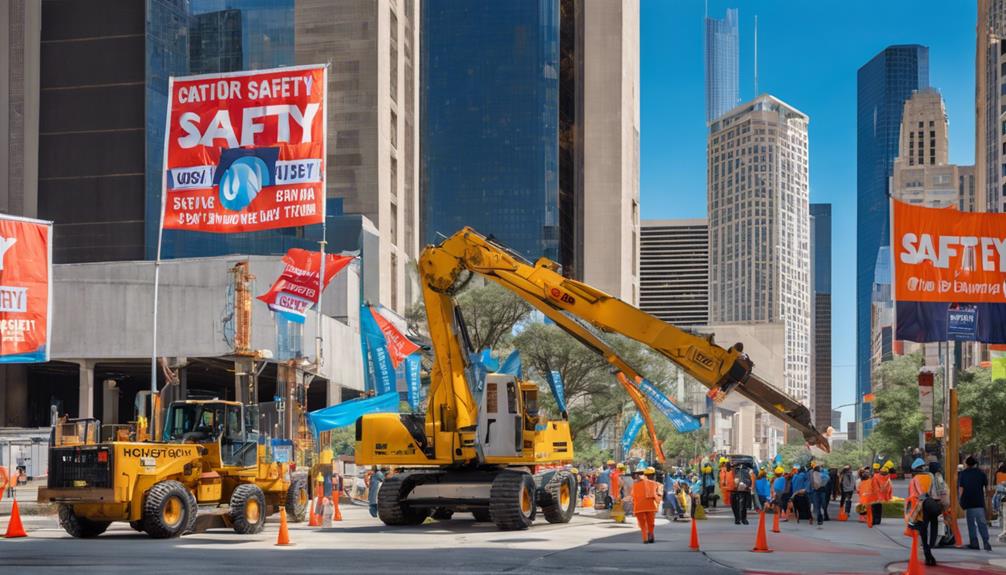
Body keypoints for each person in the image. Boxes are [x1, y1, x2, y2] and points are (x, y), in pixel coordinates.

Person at [906, 458, 940, 566]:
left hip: (920, 509)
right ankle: (930, 549)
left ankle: (927, 555)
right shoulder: (931, 477)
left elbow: (911, 497)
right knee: (933, 528)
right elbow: (935, 493)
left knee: (923, 532)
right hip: (932, 505)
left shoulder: (914, 480)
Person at [958, 455, 992, 551]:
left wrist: (960, 500)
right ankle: (986, 542)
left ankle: (974, 543)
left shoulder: (963, 474)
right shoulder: (981, 473)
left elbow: (961, 489)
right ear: (975, 464)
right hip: (979, 501)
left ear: (966, 464)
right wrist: (988, 500)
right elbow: (987, 488)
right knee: (982, 523)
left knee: (971, 523)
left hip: (968, 501)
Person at [632, 467, 662, 543]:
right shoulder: (655, 484)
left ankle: (645, 538)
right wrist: (657, 502)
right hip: (650, 507)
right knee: (651, 523)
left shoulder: (635, 485)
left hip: (639, 507)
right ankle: (650, 535)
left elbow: (632, 495)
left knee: (642, 524)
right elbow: (658, 496)